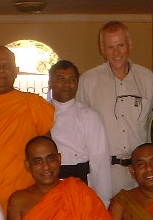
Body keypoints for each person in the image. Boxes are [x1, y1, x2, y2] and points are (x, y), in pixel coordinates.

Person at [0, 46, 54, 212]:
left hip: (27, 200)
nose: (1, 71)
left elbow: (48, 153)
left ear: (16, 71)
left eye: (7, 66)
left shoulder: (31, 104)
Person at [77, 21, 153, 196]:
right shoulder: (89, 81)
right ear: (102, 48)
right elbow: (80, 127)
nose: (116, 53)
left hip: (142, 173)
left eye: (120, 45)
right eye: (110, 47)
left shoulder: (148, 79)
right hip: (104, 173)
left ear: (130, 45)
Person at [48, 60, 112, 206]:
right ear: (50, 82)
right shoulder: (41, 112)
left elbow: (99, 160)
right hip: (49, 182)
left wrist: (103, 201)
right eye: (60, 79)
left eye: (72, 80)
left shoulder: (89, 115)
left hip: (79, 181)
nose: (67, 84)